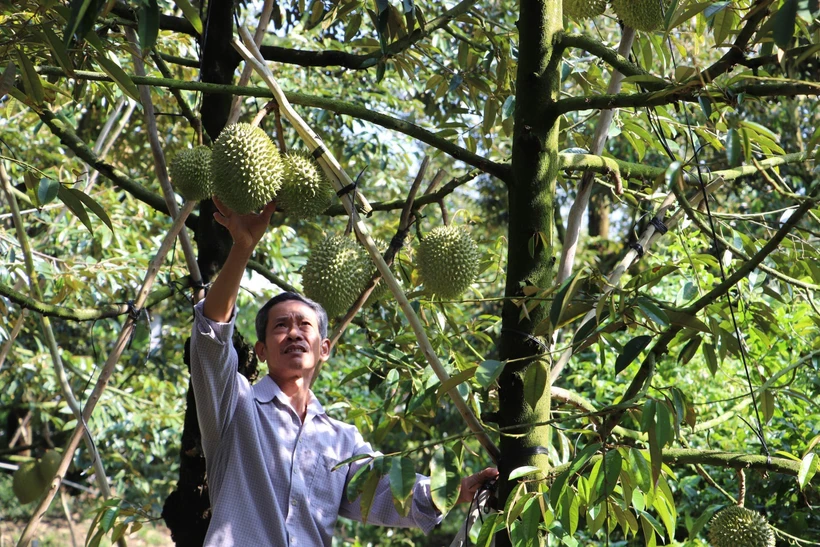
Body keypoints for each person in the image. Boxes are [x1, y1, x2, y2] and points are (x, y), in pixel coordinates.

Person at [190, 198, 498, 546]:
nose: (293, 333)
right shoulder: (234, 406)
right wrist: (242, 249)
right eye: (280, 326)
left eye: (304, 325)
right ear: (261, 351)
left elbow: (386, 491)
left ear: (324, 349)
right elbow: (211, 334)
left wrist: (453, 490)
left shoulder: (342, 440)